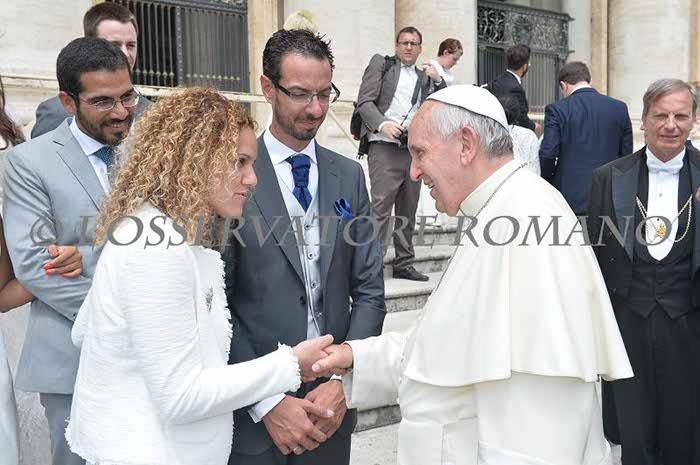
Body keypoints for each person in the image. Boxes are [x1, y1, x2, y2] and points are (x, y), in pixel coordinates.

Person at [312, 85, 633, 465]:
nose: (413, 171)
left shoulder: (529, 219)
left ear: (466, 144)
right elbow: (439, 344)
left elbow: (541, 429)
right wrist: (356, 356)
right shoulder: (499, 211)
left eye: (420, 152)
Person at [63, 86, 334, 465]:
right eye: (239, 162)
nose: (252, 179)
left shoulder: (166, 233)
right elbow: (180, 396)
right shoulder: (157, 247)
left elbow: (85, 330)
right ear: (194, 159)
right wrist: (289, 365)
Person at [223, 29, 385, 465]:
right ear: (267, 87)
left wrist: (342, 380)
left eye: (324, 94)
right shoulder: (232, 173)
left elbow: (369, 290)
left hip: (330, 409)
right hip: (254, 415)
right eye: (299, 94)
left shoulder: (349, 175)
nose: (315, 109)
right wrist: (266, 401)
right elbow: (217, 304)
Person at [3, 37, 140, 465]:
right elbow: (35, 265)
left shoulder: (150, 153)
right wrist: (125, 320)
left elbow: (170, 239)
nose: (121, 112)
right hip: (72, 361)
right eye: (102, 101)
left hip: (154, 358)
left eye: (127, 96)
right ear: (67, 101)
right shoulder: (28, 162)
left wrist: (87, 255)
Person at [588, 78, 700, 465]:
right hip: (628, 322)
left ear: (693, 120)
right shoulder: (608, 177)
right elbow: (597, 256)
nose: (671, 125)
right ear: (644, 120)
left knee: (687, 429)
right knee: (634, 431)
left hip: (690, 322)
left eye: (680, 116)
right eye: (661, 115)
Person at [355, 26, 445, 281]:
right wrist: (384, 124)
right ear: (396, 45)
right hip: (383, 146)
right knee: (381, 208)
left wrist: (438, 80)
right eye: (404, 42)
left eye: (413, 44)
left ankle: (404, 263)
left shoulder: (425, 77)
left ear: (420, 48)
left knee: (408, 208)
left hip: (411, 149)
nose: (408, 47)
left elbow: (443, 105)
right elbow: (364, 102)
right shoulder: (381, 64)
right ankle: (372, 266)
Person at [31, 2, 150, 138]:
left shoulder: (153, 112)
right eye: (114, 45)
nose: (125, 53)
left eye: (131, 45)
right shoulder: (57, 112)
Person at [540, 61, 633, 216]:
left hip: (568, 195)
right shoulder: (619, 108)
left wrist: (548, 180)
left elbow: (548, 153)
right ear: (589, 81)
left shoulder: (557, 109)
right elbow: (626, 156)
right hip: (608, 193)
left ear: (563, 85)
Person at [484, 44, 536, 131]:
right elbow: (521, 118)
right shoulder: (516, 89)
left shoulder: (497, 80)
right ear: (525, 66)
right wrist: (533, 126)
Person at [498, 92, 540, 175]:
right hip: (526, 179)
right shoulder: (529, 135)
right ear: (518, 113)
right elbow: (535, 168)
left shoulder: (489, 134)